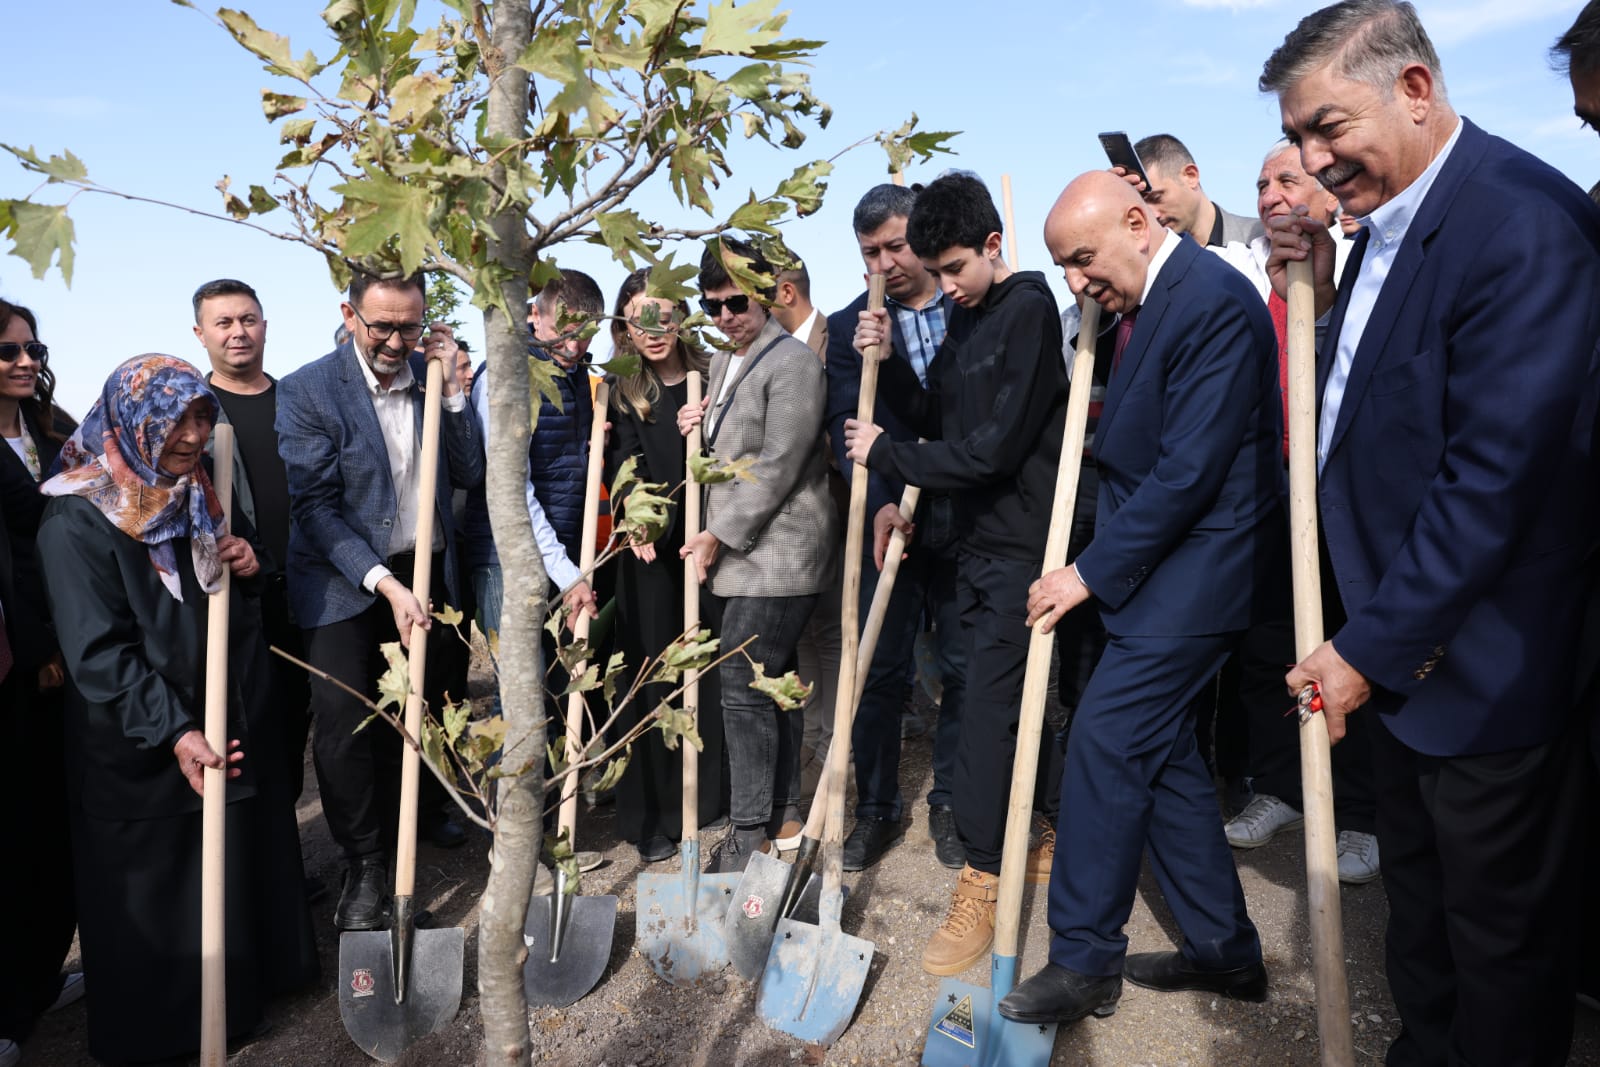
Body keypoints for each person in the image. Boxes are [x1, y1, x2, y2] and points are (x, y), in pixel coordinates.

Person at [1263, 3, 1600, 1062]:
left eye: (1327, 128)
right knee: (1418, 913)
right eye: (1298, 138)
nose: (1313, 161)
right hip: (1406, 654)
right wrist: (1313, 279)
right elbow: (1373, 397)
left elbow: (1492, 477)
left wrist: (1365, 648)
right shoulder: (1393, 225)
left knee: (1496, 938)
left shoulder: (1518, 223)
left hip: (1485, 664)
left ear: (1413, 88)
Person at [997, 170, 1280, 1026]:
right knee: (1166, 766)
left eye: (1084, 260)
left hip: (1201, 572)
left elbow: (1189, 473)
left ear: (1136, 220)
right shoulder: (1141, 310)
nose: (1078, 283)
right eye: (1064, 269)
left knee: (1109, 739)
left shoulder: (1211, 301)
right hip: (1160, 572)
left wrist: (1084, 572)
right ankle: (1226, 951)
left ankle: (1085, 959)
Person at [36, 354, 316, 1062]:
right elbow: (99, 652)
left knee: (225, 864)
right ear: (131, 421)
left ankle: (239, 998)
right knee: (162, 882)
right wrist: (173, 727)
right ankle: (162, 1028)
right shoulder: (76, 523)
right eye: (175, 419)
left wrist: (249, 564)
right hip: (137, 733)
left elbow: (230, 580)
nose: (193, 435)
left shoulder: (196, 494)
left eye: (201, 416)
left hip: (219, 708)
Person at [843, 172, 1066, 976]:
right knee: (979, 707)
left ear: (994, 246)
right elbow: (938, 414)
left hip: (1020, 548)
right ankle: (1017, 835)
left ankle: (984, 872)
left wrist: (889, 455)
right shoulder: (967, 318)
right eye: (935, 274)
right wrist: (891, 362)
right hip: (973, 544)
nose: (946, 288)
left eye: (955, 270)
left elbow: (992, 450)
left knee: (986, 714)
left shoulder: (1029, 312)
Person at [276, 272, 482, 932]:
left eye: (410, 326)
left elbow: (471, 470)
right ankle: (364, 864)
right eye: (381, 327)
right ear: (349, 314)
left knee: (413, 708)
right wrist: (383, 584)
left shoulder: (428, 378)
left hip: (419, 566)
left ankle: (404, 841)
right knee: (344, 721)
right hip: (341, 579)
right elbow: (314, 506)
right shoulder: (309, 389)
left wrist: (453, 394)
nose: (396, 340)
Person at [1216, 147, 1377, 885]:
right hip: (1269, 484)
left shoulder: (1359, 263)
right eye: (1261, 185)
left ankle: (1362, 812)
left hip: (1344, 486)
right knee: (1270, 644)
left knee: (1351, 645)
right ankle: (1283, 786)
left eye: (1288, 180)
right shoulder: (1247, 273)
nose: (1273, 195)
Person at [676, 236, 837, 873]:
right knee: (770, 687)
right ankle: (784, 817)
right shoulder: (721, 365)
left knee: (743, 684)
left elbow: (779, 465)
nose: (723, 317)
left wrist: (717, 532)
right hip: (746, 553)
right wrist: (700, 425)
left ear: (765, 295)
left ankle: (749, 835)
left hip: (784, 551)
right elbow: (729, 452)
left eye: (735, 303)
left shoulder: (793, 363)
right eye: (711, 306)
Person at [826, 183, 967, 872]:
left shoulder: (969, 306)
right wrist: (880, 497)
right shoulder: (852, 326)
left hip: (965, 515)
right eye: (870, 252)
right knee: (878, 667)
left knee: (964, 667)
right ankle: (876, 808)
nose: (884, 263)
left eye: (896, 246)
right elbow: (843, 426)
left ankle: (950, 800)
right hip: (889, 521)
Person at [604, 268, 725, 862]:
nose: (653, 330)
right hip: (650, 555)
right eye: (639, 317)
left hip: (707, 547)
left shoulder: (712, 373)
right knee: (653, 677)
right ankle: (650, 813)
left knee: (706, 670)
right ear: (626, 324)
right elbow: (619, 462)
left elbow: (733, 458)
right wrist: (634, 510)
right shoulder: (620, 386)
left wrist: (703, 438)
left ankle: (705, 804)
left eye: (664, 314)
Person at [191, 279, 312, 804]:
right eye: (223, 323)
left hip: (312, 584)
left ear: (264, 326)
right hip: (241, 594)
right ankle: (270, 861)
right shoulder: (191, 413)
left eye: (247, 320)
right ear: (200, 334)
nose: (238, 332)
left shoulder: (299, 401)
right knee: (253, 727)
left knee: (309, 725)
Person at [0, 300, 81, 1067]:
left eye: (31, 347)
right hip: (16, 658)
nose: (24, 361)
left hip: (71, 646)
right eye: (6, 351)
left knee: (57, 825)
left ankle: (41, 975)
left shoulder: (53, 429)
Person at [463, 271, 604, 655]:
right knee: (520, 686)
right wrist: (566, 573)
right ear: (535, 316)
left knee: (554, 686)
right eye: (565, 330)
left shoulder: (575, 375)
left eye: (587, 333)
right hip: (506, 557)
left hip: (559, 551)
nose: (575, 346)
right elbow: (511, 489)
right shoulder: (508, 377)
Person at [770, 254, 843, 819]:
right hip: (787, 524)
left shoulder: (833, 339)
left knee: (835, 633)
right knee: (809, 633)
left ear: (787, 292)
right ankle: (814, 741)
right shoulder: (766, 352)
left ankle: (838, 754)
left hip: (834, 509)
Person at [1132, 133, 1264, 251]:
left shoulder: (1262, 239)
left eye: (1157, 198)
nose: (1153, 214)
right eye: (1143, 206)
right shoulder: (1146, 261)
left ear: (1191, 176)